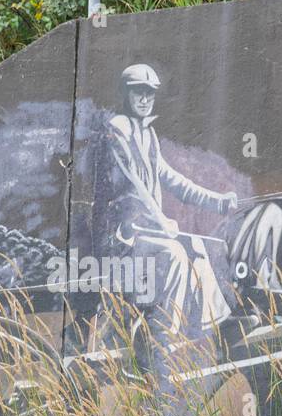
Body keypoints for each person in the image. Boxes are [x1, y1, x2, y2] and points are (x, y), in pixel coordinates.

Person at [95, 63, 238, 338]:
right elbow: (135, 184)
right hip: (120, 237)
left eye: (150, 93)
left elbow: (173, 180)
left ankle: (216, 324)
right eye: (139, 92)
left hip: (145, 231)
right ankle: (162, 335)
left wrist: (217, 202)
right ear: (125, 94)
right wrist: (162, 221)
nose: (146, 99)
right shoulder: (117, 131)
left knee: (196, 246)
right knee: (174, 254)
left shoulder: (146, 134)